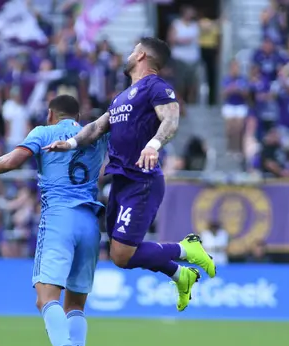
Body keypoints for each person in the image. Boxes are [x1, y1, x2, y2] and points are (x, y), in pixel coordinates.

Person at [45, 37, 216, 313]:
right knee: (118, 255)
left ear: (142, 56)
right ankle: (180, 275)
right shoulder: (122, 97)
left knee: (123, 255)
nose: (130, 53)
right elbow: (97, 127)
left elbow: (171, 120)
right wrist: (72, 143)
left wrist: (154, 144)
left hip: (143, 180)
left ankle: (187, 250)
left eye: (134, 49)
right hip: (120, 181)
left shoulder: (157, 87)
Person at [0, 95, 104, 346]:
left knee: (45, 298)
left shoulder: (43, 132)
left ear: (51, 114)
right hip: (91, 222)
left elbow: (14, 160)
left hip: (59, 218)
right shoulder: (94, 133)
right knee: (76, 305)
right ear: (77, 116)